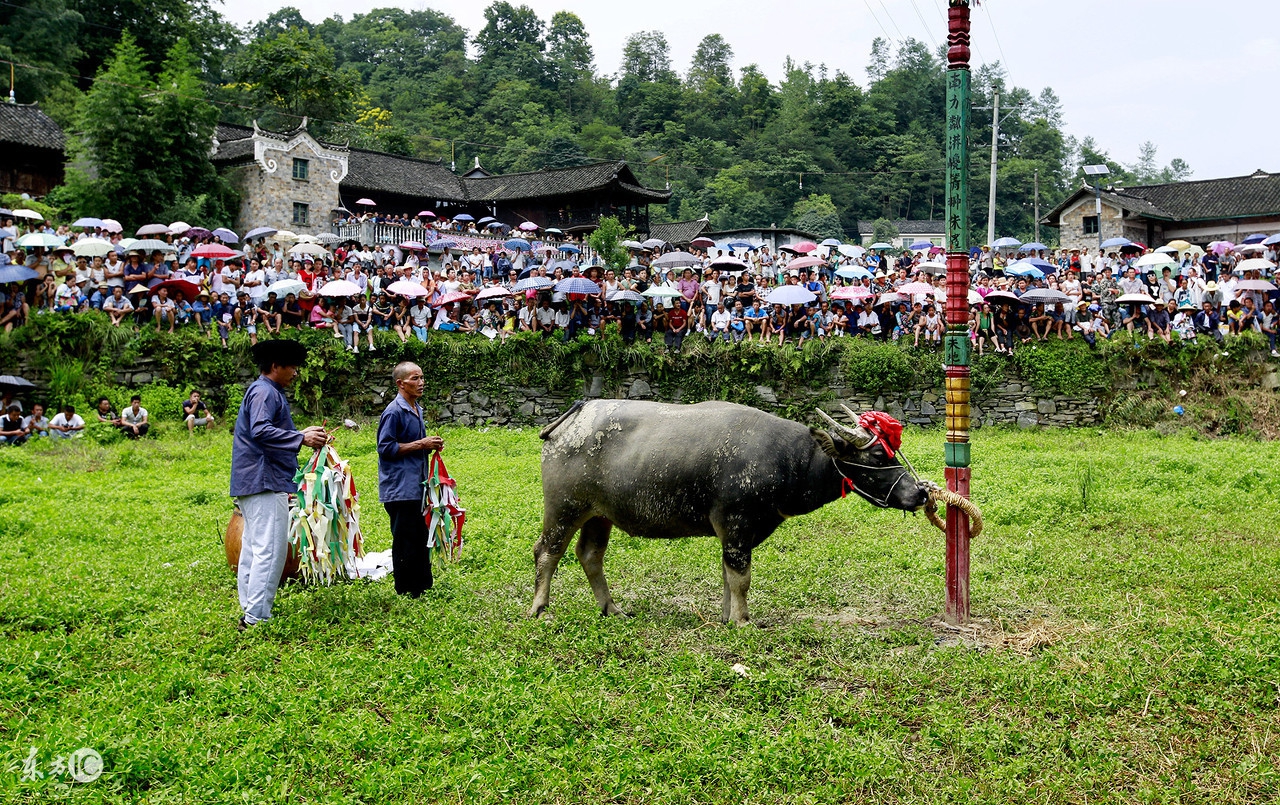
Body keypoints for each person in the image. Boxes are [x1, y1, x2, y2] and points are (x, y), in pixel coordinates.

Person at [230, 339, 330, 630]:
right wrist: (301, 438)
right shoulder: (265, 392)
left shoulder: (262, 390)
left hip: (252, 480)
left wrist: (300, 434)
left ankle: (251, 609)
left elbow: (266, 430)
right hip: (264, 480)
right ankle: (256, 618)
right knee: (270, 550)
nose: (296, 373)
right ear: (275, 366)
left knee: (253, 548)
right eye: (292, 367)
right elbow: (261, 430)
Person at [376, 362, 445, 597]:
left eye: (422, 378)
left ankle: (422, 585)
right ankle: (405, 589)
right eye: (415, 378)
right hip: (399, 487)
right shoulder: (394, 412)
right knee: (405, 538)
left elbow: (414, 446)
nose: (421, 383)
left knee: (420, 535)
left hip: (418, 485)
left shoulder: (416, 409)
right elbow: (385, 448)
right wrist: (421, 444)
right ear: (401, 383)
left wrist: (429, 445)